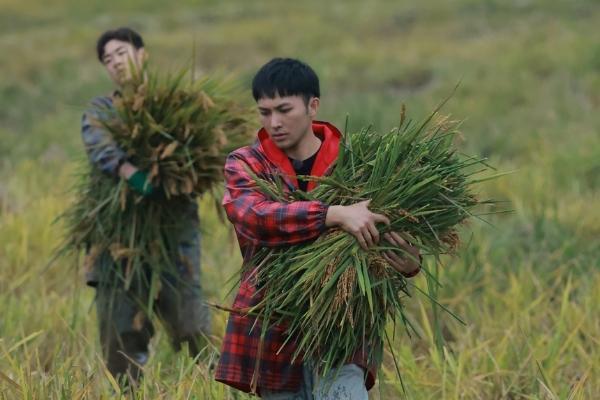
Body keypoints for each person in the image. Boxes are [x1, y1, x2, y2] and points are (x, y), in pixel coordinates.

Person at [215, 58, 421, 399]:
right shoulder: (246, 163)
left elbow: (392, 233)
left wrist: (409, 261)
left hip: (342, 325)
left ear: (313, 106)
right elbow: (254, 216)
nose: (274, 122)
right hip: (273, 324)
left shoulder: (358, 164)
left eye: (284, 109)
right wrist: (333, 215)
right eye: (264, 112)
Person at [80, 27, 210, 385]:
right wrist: (132, 174)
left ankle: (219, 389)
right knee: (121, 338)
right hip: (117, 237)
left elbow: (206, 152)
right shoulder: (101, 110)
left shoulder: (178, 104)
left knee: (192, 326)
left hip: (174, 234)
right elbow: (100, 146)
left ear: (142, 54)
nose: (116, 63)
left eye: (121, 53)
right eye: (108, 59)